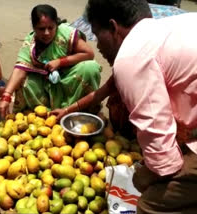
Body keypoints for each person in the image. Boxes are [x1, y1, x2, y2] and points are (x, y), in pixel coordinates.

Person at [80, 0, 197, 213]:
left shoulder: (131, 57)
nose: (97, 45)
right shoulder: (164, 29)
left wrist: (141, 177)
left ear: (114, 27)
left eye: (97, 35)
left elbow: (164, 162)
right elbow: (105, 90)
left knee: (150, 205)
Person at [0, 4, 102, 118]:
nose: (46, 33)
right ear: (34, 28)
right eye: (41, 29)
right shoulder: (30, 42)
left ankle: (81, 108)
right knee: (24, 82)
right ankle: (45, 113)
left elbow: (88, 54)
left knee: (90, 68)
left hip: (68, 77)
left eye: (51, 28)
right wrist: (6, 96)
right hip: (45, 84)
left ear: (56, 25)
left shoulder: (65, 33)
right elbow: (20, 69)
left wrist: (60, 62)